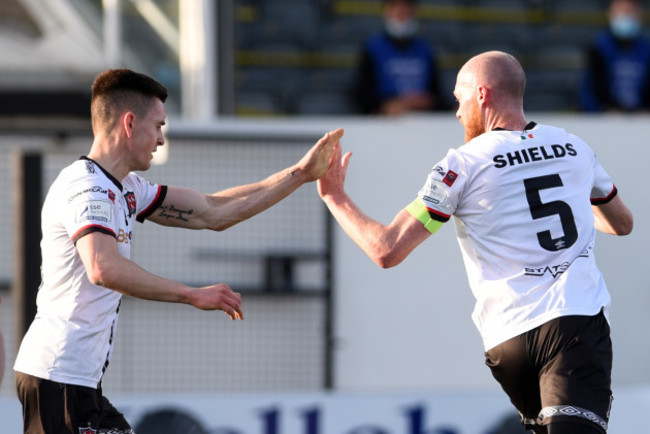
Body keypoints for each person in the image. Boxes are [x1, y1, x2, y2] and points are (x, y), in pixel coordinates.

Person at [13, 68, 343, 434]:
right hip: (57, 377)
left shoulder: (127, 188)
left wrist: (299, 174)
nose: (160, 139)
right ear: (129, 123)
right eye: (158, 126)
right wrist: (191, 293)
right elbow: (102, 268)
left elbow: (212, 211)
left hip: (74, 381)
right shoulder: (87, 187)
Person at [319, 51, 633, 434]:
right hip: (573, 325)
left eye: (459, 98)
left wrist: (335, 196)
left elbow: (386, 249)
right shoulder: (573, 148)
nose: (456, 111)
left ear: (481, 94)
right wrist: (576, 208)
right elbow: (621, 223)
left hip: (507, 342)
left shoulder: (459, 165)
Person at [353, 0, 445, 115]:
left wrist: (429, 102)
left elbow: (437, 94)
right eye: (395, 8)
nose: (401, 12)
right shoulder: (372, 49)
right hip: (385, 122)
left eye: (406, 8)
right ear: (386, 12)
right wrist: (384, 105)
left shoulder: (426, 50)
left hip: (422, 120)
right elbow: (362, 95)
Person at [580, 0, 650, 112]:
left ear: (639, 14)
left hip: (641, 118)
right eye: (621, 11)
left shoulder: (646, 49)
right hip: (603, 117)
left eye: (630, 11)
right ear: (610, 14)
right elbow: (593, 89)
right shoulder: (598, 48)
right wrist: (607, 109)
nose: (625, 16)